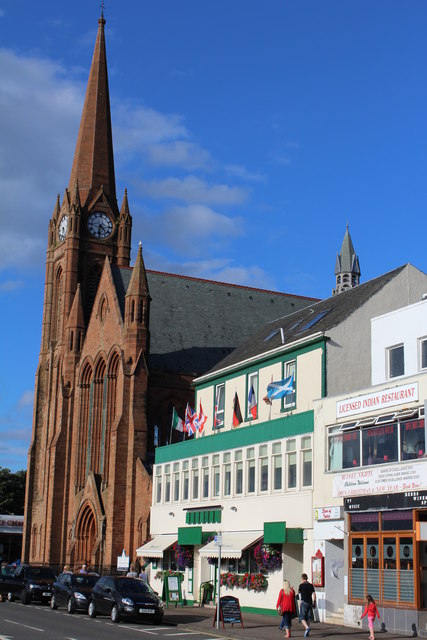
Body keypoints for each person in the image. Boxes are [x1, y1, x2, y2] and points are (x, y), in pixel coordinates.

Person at [298, 573, 316, 637]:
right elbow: (314, 595)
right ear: (307, 578)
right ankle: (307, 631)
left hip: (304, 602)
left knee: (302, 617)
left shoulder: (301, 585)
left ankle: (307, 628)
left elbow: (299, 594)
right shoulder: (311, 585)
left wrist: (300, 601)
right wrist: (314, 603)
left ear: (302, 578)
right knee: (308, 618)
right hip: (310, 603)